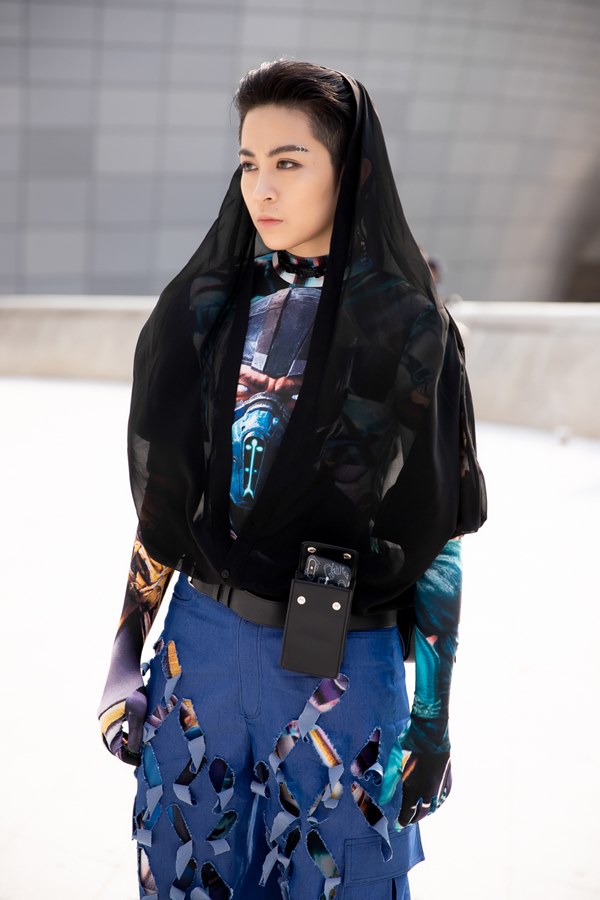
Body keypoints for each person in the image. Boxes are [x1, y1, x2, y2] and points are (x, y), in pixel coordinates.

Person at [98, 60, 486, 900]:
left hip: (343, 670)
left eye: (288, 161)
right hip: (199, 652)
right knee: (183, 876)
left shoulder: (407, 327)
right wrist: (125, 654)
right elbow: (167, 503)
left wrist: (432, 717)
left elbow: (438, 533)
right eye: (248, 162)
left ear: (349, 173)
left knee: (344, 878)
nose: (261, 188)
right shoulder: (204, 307)